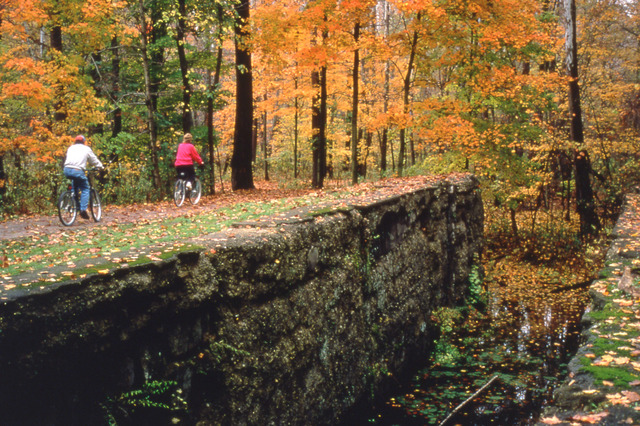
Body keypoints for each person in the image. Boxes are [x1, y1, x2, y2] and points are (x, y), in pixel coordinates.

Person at [63, 135, 104, 219]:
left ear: (75, 141)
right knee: (85, 189)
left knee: (75, 187)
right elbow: (93, 160)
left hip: (66, 170)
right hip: (77, 171)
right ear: (84, 142)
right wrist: (100, 166)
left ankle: (75, 204)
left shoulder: (70, 148)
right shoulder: (86, 149)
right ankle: (83, 210)